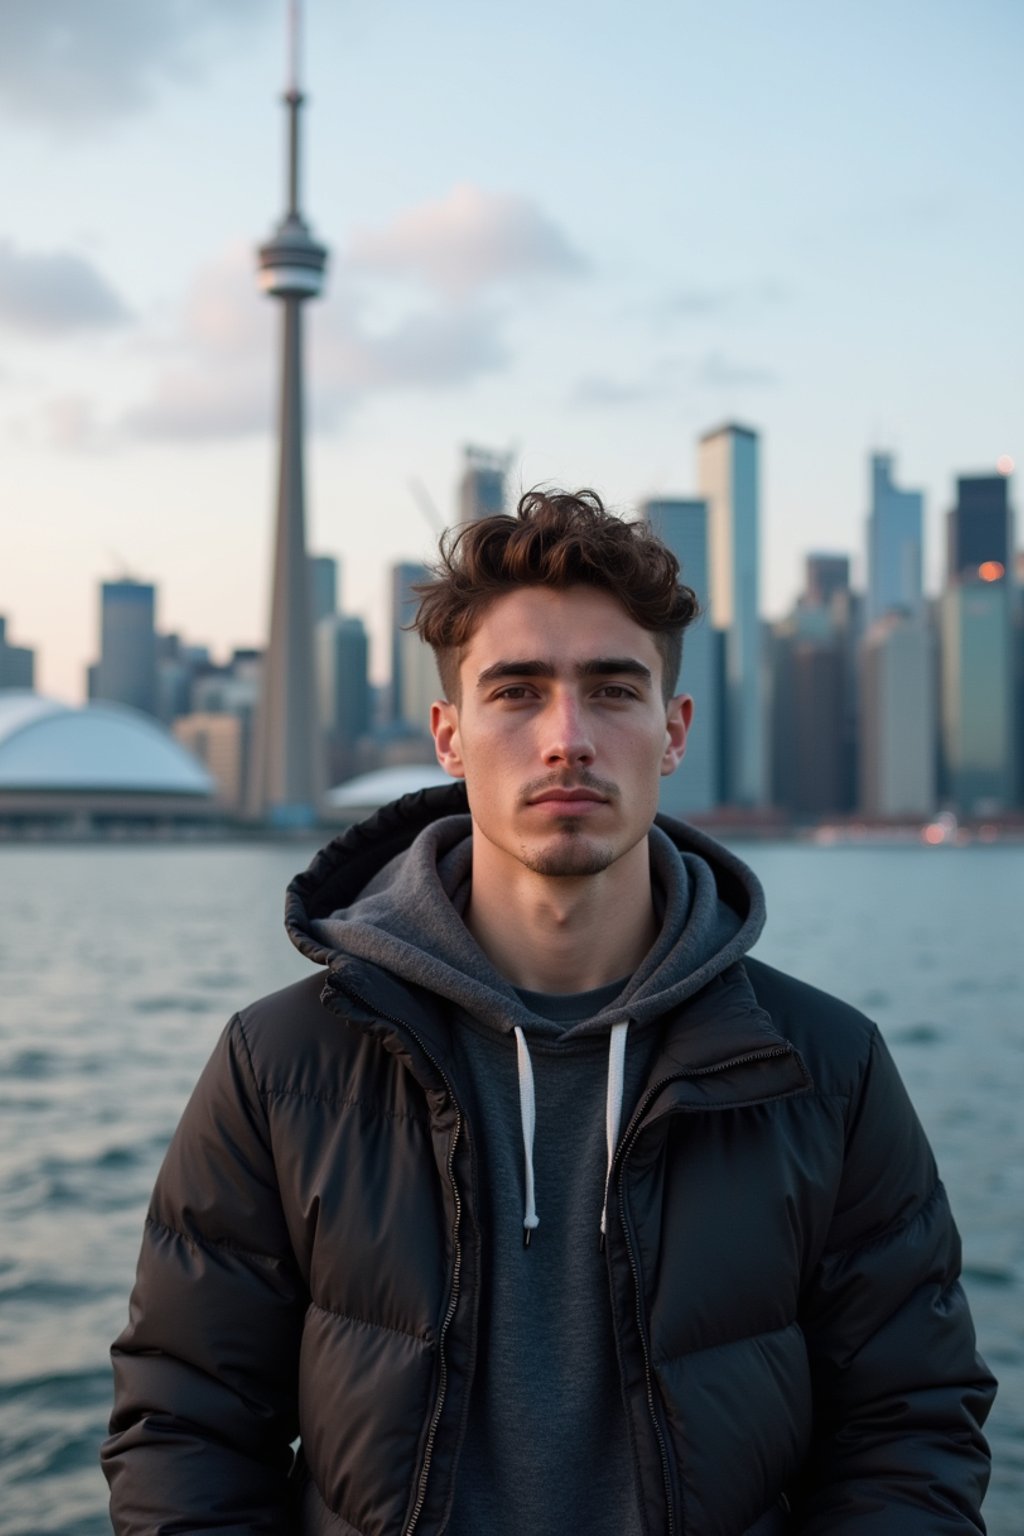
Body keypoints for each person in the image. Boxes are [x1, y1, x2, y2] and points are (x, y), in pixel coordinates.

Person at [103, 489, 995, 1535]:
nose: (566, 738)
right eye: (516, 692)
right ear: (448, 733)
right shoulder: (281, 1064)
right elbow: (184, 1428)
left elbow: (911, 1426)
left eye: (612, 691)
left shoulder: (826, 1069)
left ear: (672, 731)